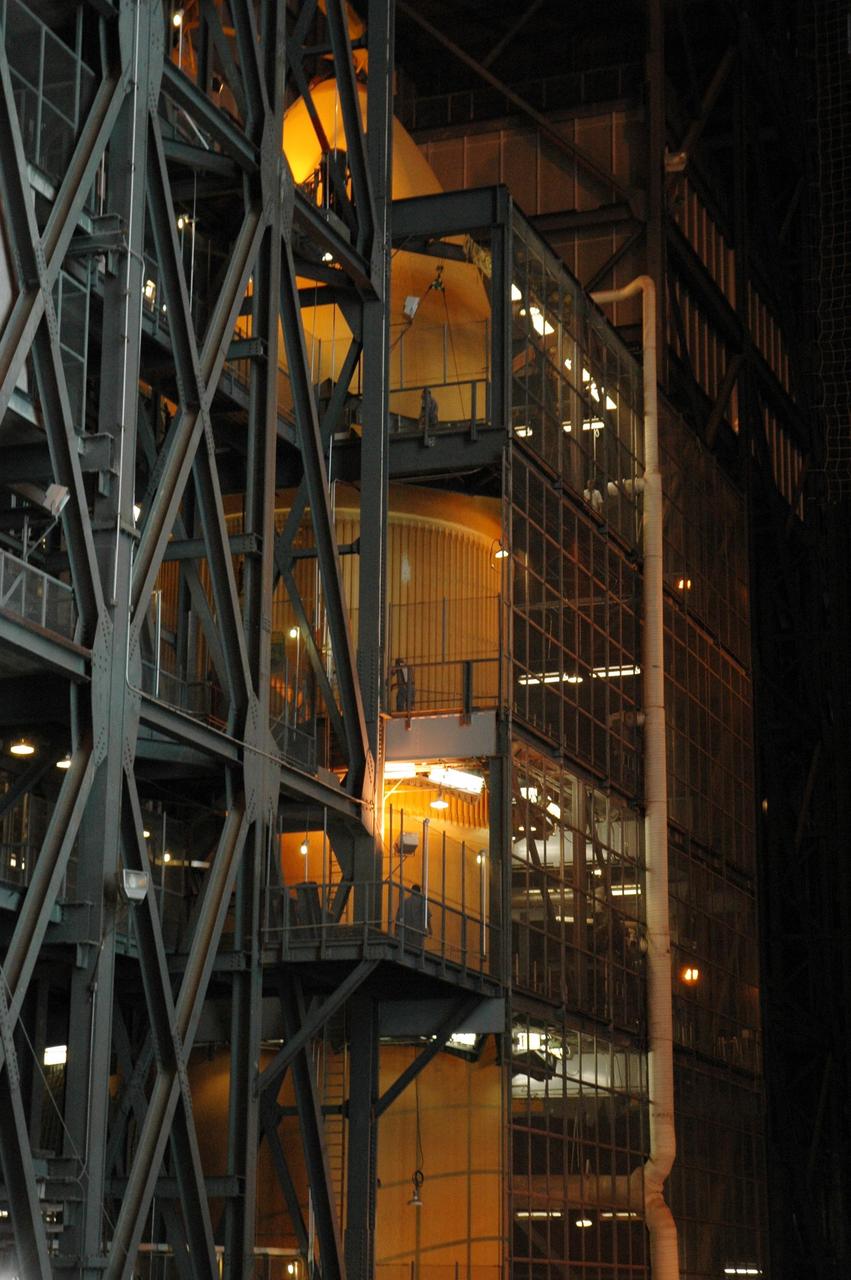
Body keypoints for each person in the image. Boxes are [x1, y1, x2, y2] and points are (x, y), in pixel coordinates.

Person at [396, 882, 431, 951]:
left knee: (407, 948)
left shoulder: (405, 902)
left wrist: (397, 929)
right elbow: (426, 916)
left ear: (411, 891)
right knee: (417, 949)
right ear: (419, 892)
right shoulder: (422, 902)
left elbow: (399, 916)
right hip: (417, 930)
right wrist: (430, 929)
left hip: (406, 928)